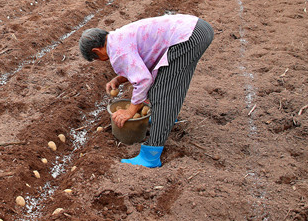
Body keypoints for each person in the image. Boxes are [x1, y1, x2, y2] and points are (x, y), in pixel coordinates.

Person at [79, 14, 214, 168]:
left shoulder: (118, 52)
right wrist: (118, 80)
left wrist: (130, 111)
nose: (102, 60)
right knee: (173, 83)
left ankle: (151, 155)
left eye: (96, 58)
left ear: (96, 50)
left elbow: (143, 80)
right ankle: (164, 119)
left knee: (161, 93)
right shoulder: (118, 37)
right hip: (197, 29)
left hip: (188, 36)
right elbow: (141, 65)